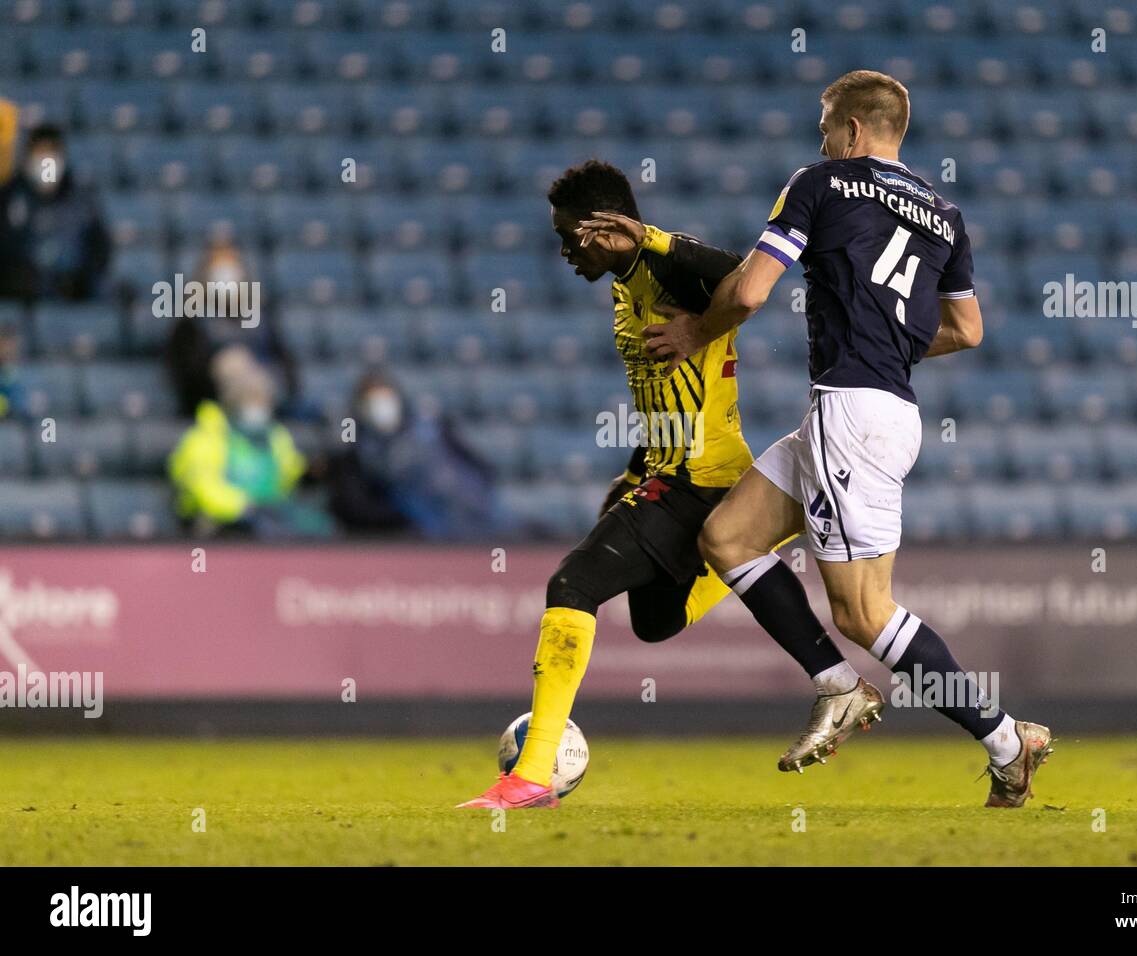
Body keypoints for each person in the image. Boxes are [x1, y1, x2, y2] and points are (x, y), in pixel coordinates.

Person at [644, 70, 1053, 808]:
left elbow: (748, 289)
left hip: (852, 415)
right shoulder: (943, 214)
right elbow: (967, 329)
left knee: (864, 612)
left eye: (826, 126)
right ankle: (839, 688)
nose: (821, 139)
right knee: (729, 538)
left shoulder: (823, 184)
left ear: (854, 131)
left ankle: (1005, 742)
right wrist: (889, 342)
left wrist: (697, 330)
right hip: (877, 409)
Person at [458, 160, 881, 810]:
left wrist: (651, 236)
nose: (565, 249)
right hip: (671, 474)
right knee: (654, 621)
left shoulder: (664, 270)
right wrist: (633, 473)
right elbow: (664, 398)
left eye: (570, 234)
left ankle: (532, 773)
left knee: (573, 584)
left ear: (603, 230)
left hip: (700, 481)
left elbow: (740, 280)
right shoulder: (626, 285)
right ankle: (736, 556)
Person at [168, 348, 332, 539]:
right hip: (225, 522)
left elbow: (287, 472)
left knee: (319, 526)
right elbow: (203, 488)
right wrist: (244, 507)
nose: (256, 408)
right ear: (233, 402)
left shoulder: (276, 436)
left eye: (261, 401)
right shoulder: (205, 436)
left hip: (272, 515)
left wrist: (308, 471)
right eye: (250, 400)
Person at [327, 370, 506, 540]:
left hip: (476, 518)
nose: (381, 407)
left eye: (386, 398)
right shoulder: (358, 452)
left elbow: (481, 467)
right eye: (372, 401)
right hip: (426, 532)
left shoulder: (434, 429)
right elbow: (357, 505)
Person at [164, 239, 305, 419]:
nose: (225, 274)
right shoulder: (191, 323)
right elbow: (184, 377)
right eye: (217, 266)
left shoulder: (261, 318)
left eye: (230, 265)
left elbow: (286, 367)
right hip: (214, 408)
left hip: (268, 404)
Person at [0, 123, 111, 301]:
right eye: (40, 152)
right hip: (20, 297)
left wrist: (82, 279)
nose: (46, 160)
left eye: (52, 151)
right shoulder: (8, 197)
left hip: (72, 294)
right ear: (27, 156)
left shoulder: (82, 199)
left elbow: (100, 249)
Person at [0, 320, 28, 419]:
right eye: (4, 344)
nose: (8, 349)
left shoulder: (27, 371)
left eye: (12, 344)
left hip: (21, 417)